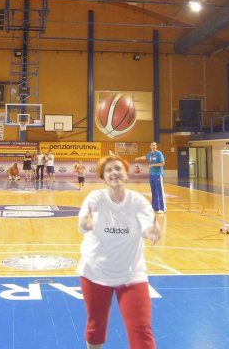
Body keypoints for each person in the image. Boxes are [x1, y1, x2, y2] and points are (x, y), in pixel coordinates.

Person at [77, 155, 162, 349]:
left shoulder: (138, 201)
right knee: (95, 327)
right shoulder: (96, 198)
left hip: (131, 274)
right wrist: (86, 223)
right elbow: (83, 222)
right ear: (103, 178)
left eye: (118, 168)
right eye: (108, 170)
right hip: (95, 272)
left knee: (141, 329)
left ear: (126, 175)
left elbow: (148, 225)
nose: (114, 172)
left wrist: (152, 232)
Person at [135, 142, 165, 214]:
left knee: (160, 191)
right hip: (151, 175)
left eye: (154, 145)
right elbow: (145, 157)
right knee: (153, 191)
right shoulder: (150, 154)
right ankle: (155, 207)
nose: (153, 146)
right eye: (152, 145)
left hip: (158, 175)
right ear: (150, 146)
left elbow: (163, 163)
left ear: (156, 146)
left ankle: (162, 208)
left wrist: (153, 165)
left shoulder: (159, 153)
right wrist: (139, 158)